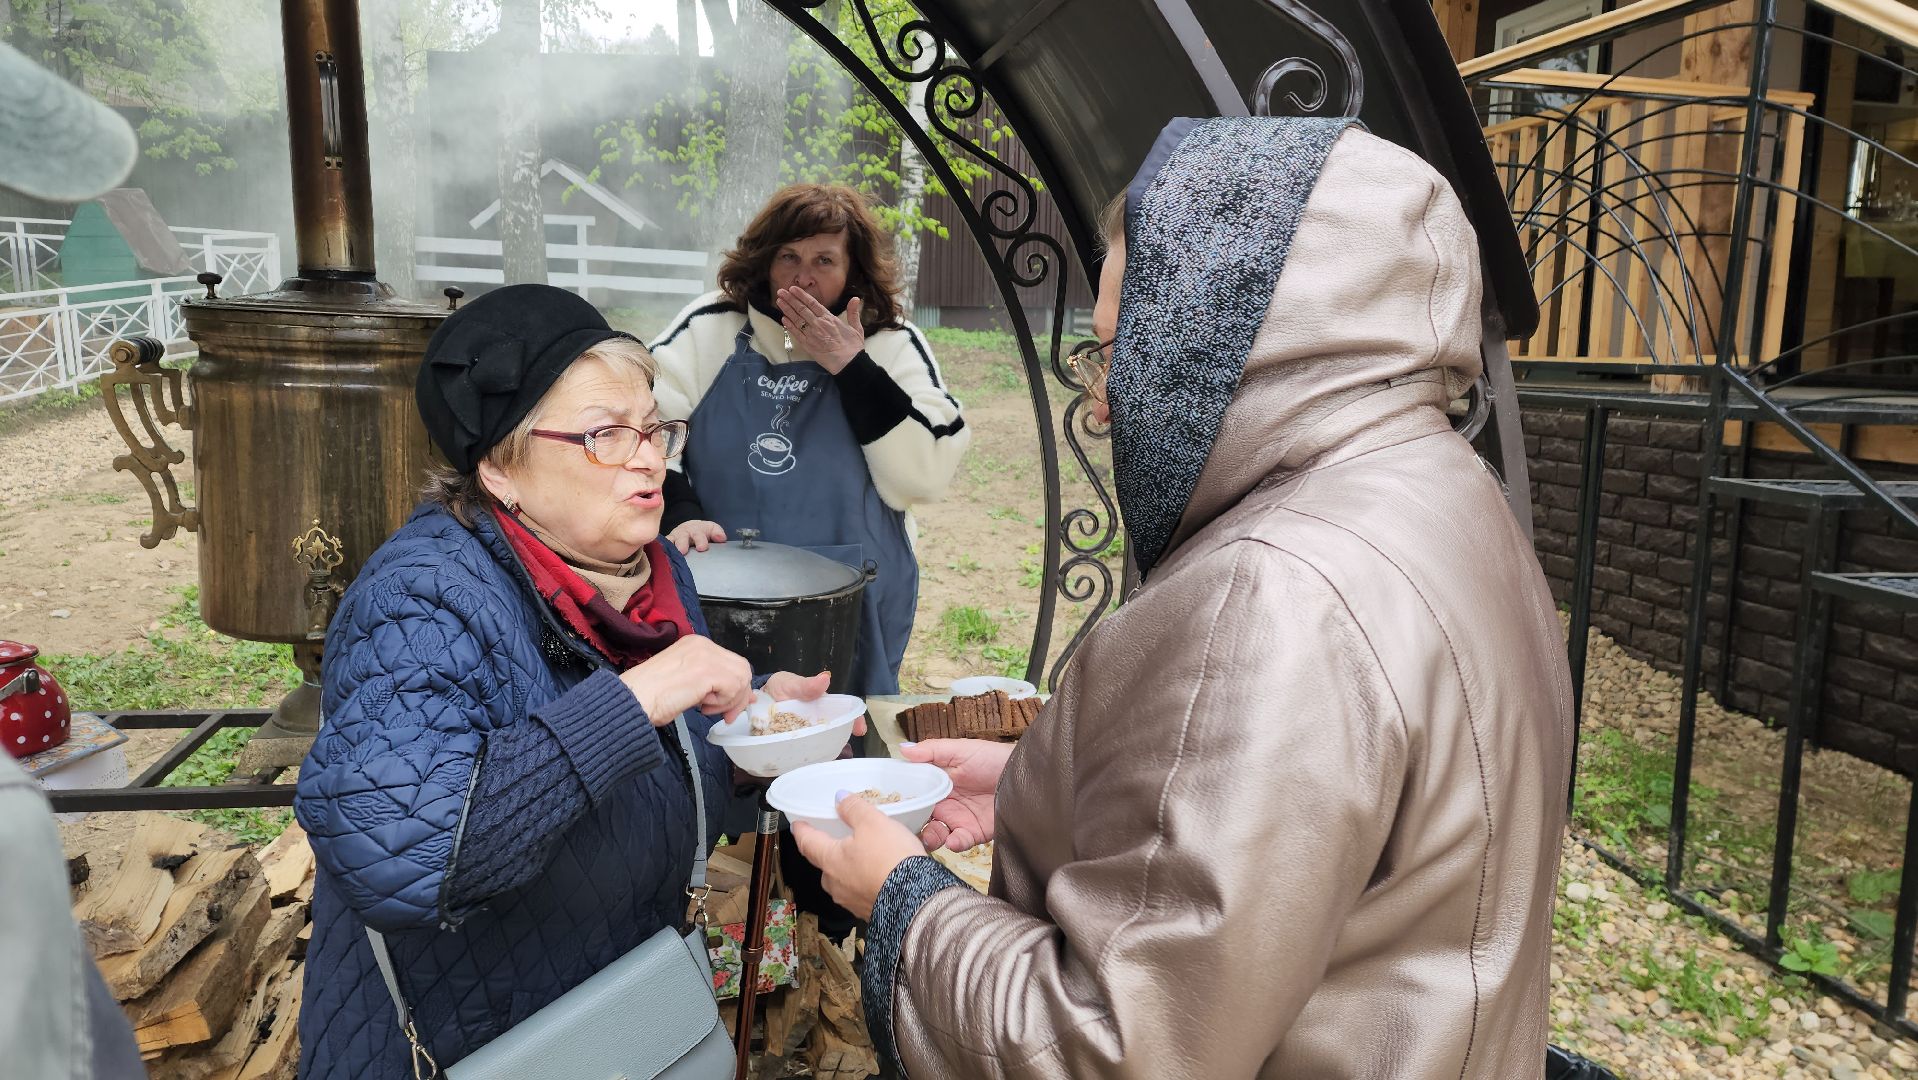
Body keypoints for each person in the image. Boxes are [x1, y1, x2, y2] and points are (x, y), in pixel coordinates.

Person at [792, 118, 1574, 1076]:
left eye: (1119, 348)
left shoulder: (1272, 595)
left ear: (1214, 336)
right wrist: (1048, 781)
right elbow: (1311, 845)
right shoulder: (1448, 491)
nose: (1101, 401)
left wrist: (905, 902)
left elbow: (1114, 1047)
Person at [293, 285, 841, 1078]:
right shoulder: (419, 601)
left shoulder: (648, 576)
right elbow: (403, 856)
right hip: (472, 1049)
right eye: (603, 435)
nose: (648, 457)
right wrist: (638, 700)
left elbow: (650, 785)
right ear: (500, 469)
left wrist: (752, 734)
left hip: (616, 1023)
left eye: (652, 428)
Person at [649, 183, 971, 697]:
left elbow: (926, 475)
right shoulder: (710, 327)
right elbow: (642, 433)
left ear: (853, 271)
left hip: (853, 601)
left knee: (843, 729)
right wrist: (680, 512)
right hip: (719, 592)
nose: (804, 277)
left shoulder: (891, 343)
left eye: (824, 260)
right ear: (763, 262)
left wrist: (853, 368)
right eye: (789, 258)